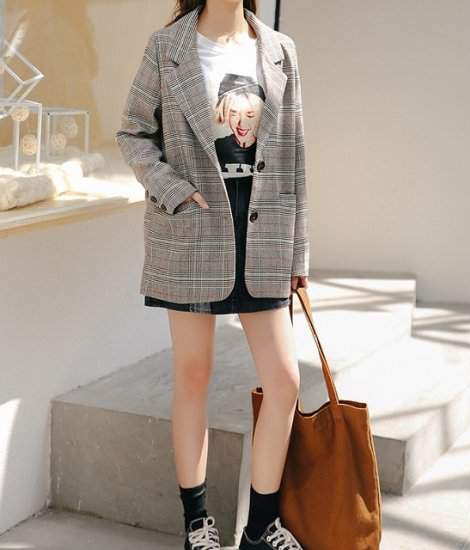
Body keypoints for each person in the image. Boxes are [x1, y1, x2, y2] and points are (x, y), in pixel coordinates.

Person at [115, 1, 309, 548]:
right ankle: (197, 524)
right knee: (193, 375)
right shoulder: (168, 47)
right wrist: (175, 192)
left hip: (264, 234)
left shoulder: (279, 50)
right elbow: (133, 133)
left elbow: (294, 155)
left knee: (284, 381)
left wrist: (299, 256)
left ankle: (261, 527)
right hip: (194, 231)